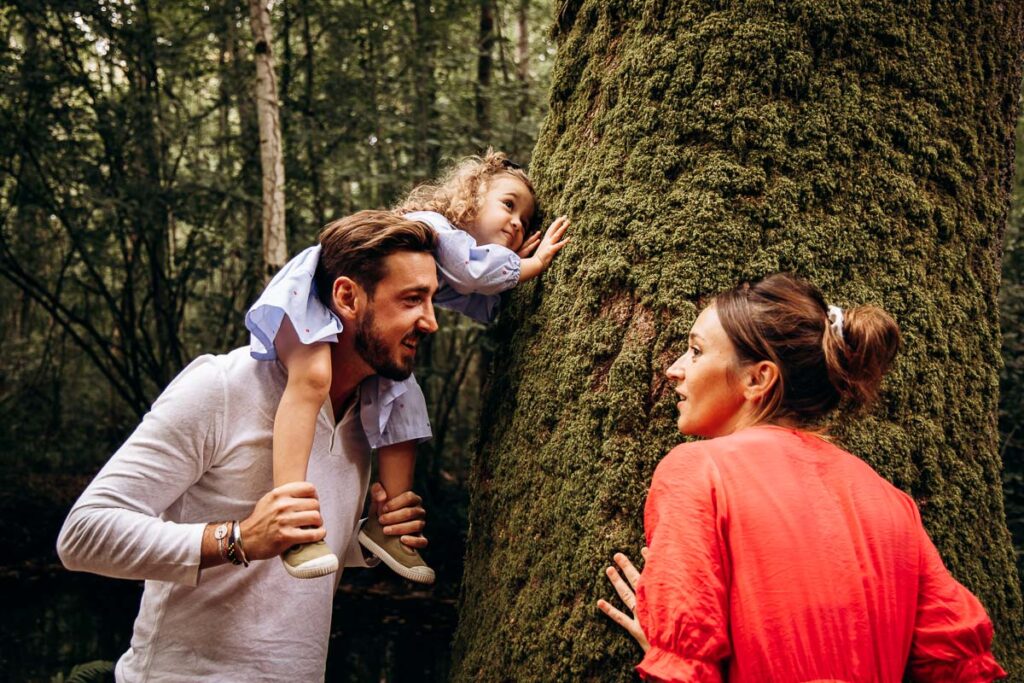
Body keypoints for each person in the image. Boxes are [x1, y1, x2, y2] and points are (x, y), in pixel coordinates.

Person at [57, 211, 439, 681]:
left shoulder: (372, 416)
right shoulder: (222, 386)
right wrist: (238, 539)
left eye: (433, 300)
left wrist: (368, 535)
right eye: (412, 300)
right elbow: (83, 534)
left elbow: (296, 549)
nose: (431, 321)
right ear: (347, 297)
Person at [597, 273, 1006, 682]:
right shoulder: (893, 503)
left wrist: (669, 649)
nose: (673, 369)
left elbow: (685, 674)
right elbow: (964, 667)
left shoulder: (697, 471)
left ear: (758, 379)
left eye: (695, 351)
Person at [245, 149, 570, 582]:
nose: (516, 223)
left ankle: (388, 527)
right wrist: (533, 263)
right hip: (313, 294)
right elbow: (477, 275)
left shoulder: (447, 268)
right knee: (314, 376)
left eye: (526, 222)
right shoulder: (432, 230)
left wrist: (515, 273)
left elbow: (483, 300)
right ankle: (291, 516)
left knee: (403, 396)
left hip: (356, 319)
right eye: (508, 205)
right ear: (471, 197)